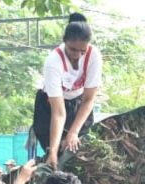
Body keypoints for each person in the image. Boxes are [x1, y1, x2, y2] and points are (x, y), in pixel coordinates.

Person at [32, 13, 102, 170]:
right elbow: (58, 113)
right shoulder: (53, 62)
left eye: (82, 51)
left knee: (76, 149)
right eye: (72, 49)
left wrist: (73, 132)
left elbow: (89, 99)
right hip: (50, 107)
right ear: (64, 42)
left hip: (79, 104)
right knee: (55, 153)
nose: (77, 55)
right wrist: (53, 151)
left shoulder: (94, 55)